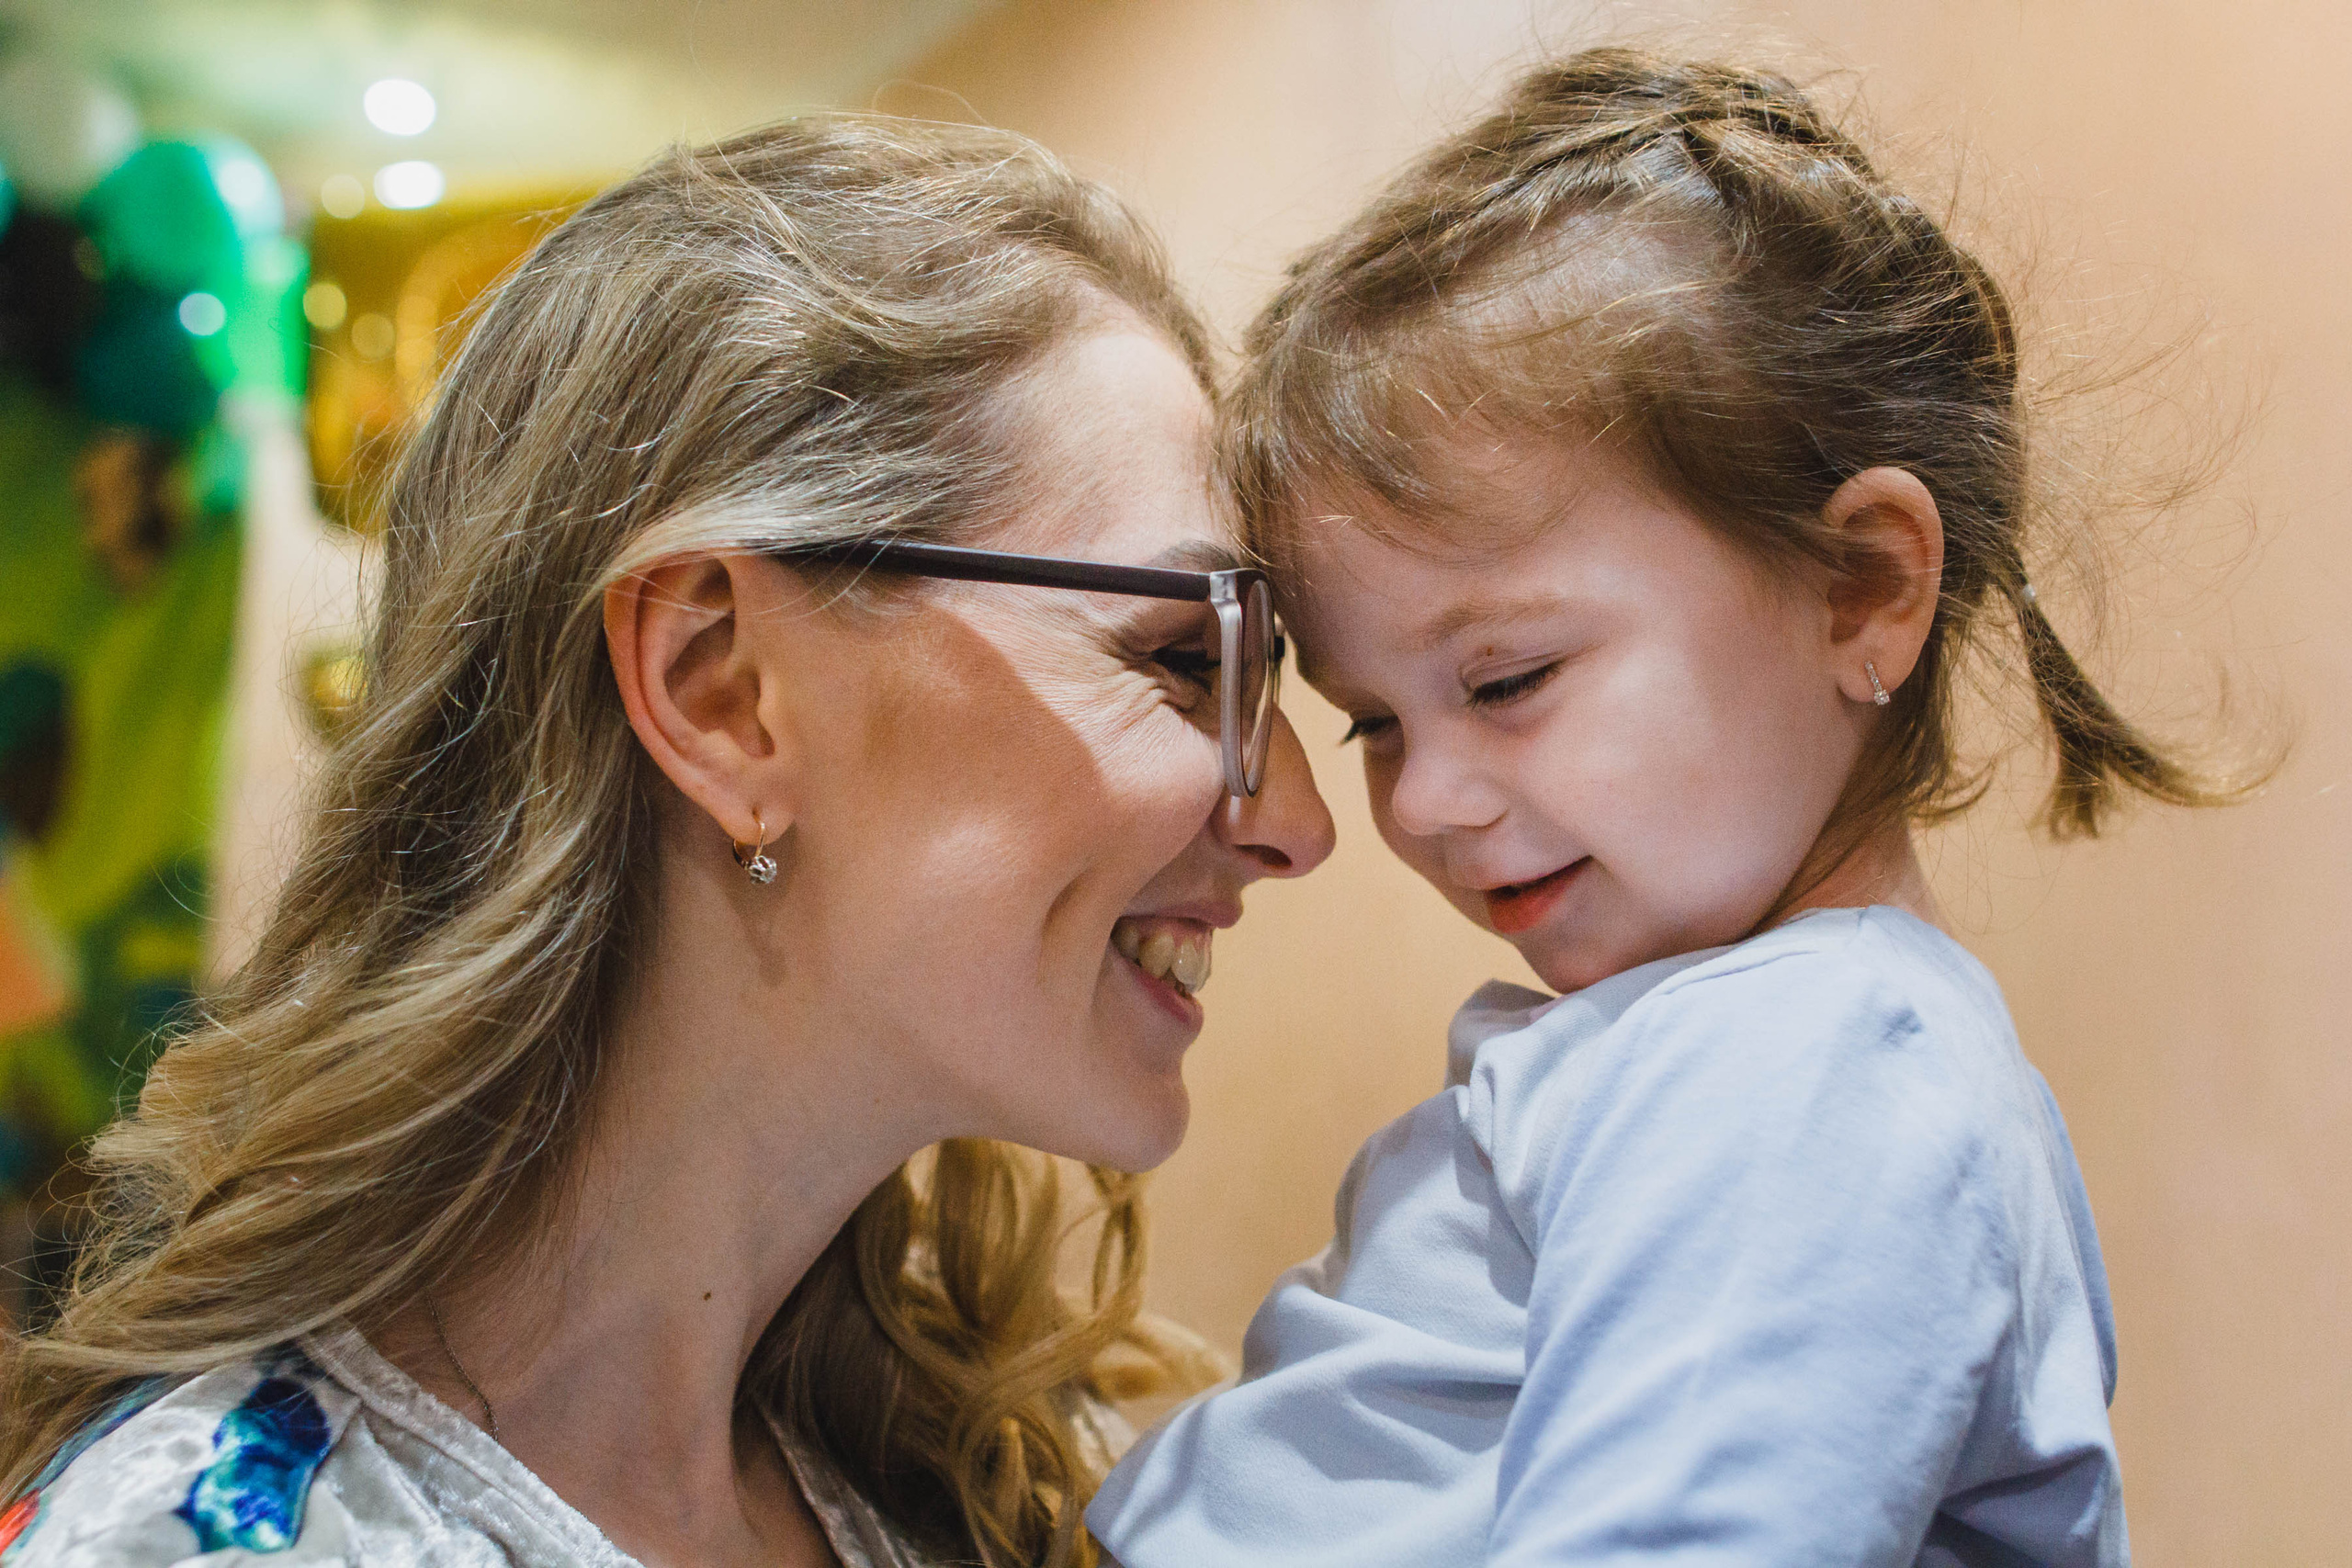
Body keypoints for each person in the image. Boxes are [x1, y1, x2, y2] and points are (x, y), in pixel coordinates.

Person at [0, 116, 1335, 1568]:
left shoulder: (1005, 1489)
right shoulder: (223, 1541)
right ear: (724, 689)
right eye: (1180, 654)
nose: (1299, 823)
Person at [1090, 48, 2247, 1568]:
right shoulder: (1714, 1038)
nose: (1422, 801)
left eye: (1507, 681)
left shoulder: (1816, 1064)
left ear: (1862, 588)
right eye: (1373, 720)